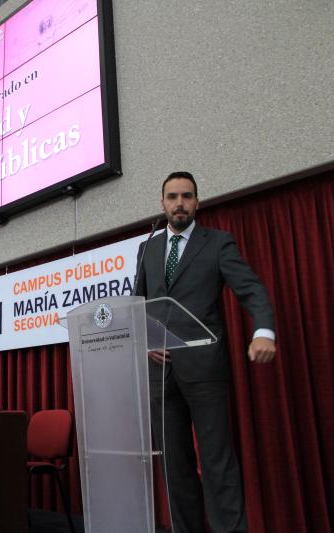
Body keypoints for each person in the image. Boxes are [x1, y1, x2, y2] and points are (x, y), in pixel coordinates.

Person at [134, 171, 276, 533]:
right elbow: (137, 304)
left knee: (217, 463)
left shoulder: (218, 244)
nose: (179, 203)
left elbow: (252, 290)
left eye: (186, 196)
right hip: (161, 375)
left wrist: (263, 331)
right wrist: (145, 339)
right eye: (172, 197)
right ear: (162, 203)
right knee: (175, 467)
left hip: (204, 370)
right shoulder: (147, 249)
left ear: (198, 202)